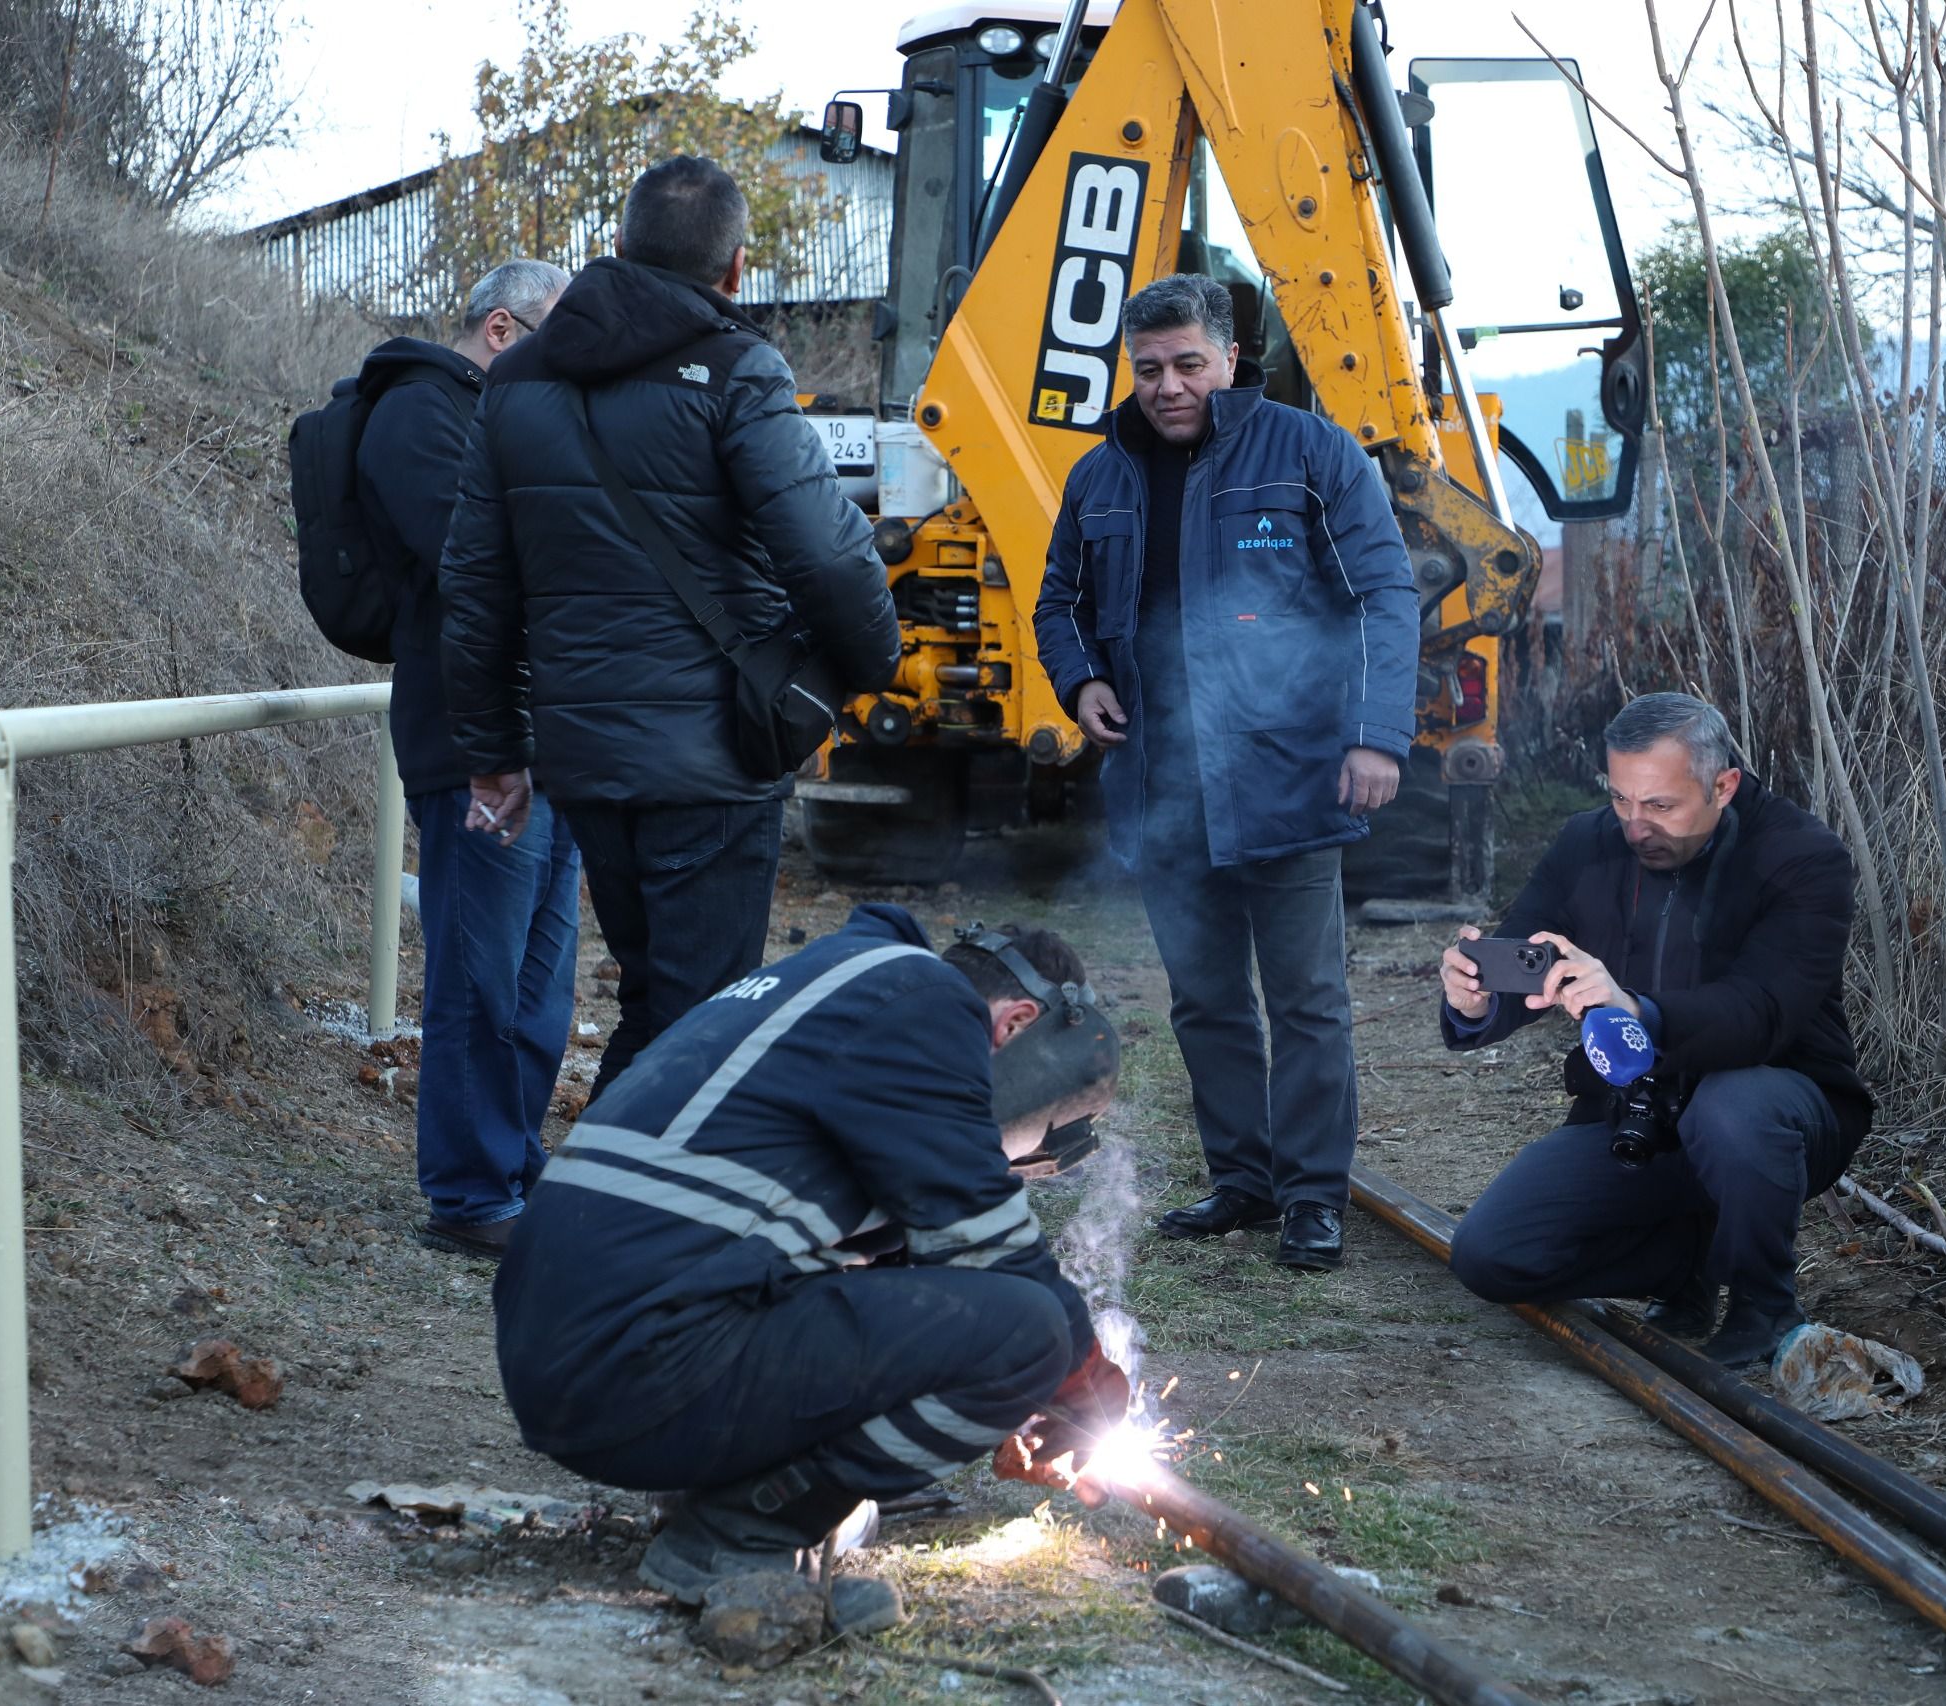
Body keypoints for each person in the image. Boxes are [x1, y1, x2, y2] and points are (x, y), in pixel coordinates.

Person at [492, 904, 1128, 1633]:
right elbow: (991, 1250)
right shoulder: (926, 1008)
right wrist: (1076, 1378)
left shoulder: (848, 984)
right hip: (631, 1364)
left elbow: (888, 1272)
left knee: (977, 1331)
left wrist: (1001, 1395)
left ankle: (712, 1486)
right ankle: (735, 1535)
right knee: (1033, 1332)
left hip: (572, 1351)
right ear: (1015, 1024)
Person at [439, 155, 898, 1103]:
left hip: (584, 758)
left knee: (658, 1003)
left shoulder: (514, 380)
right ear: (735, 268)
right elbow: (828, 553)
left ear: (615, 245)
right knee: (705, 1024)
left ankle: (607, 1183)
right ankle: (619, 1190)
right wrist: (867, 665)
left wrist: (494, 753)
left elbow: (476, 587)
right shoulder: (739, 370)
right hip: (714, 757)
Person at [1031, 274, 1419, 1271]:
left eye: (1188, 364)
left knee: (1306, 1001)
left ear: (1230, 358)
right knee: (1205, 1001)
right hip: (1162, 788)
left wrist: (1377, 735)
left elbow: (1382, 594)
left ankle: (1312, 1197)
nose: (1167, 386)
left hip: (1290, 776)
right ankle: (1243, 1181)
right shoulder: (1099, 475)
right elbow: (1058, 603)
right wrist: (1080, 681)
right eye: (1148, 368)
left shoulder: (1309, 453)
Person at [1435, 693, 1873, 1365]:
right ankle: (1684, 1266)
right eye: (1621, 799)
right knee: (1490, 1255)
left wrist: (1635, 1009)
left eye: (1661, 805)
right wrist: (1475, 1000)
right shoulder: (1587, 843)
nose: (1636, 827)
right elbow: (1526, 957)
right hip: (1635, 1114)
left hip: (1776, 1111)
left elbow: (1762, 1012)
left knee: (1730, 1109)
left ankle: (1764, 1304)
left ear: (1723, 785)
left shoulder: (1801, 856)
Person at [352, 258, 579, 1259]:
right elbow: (474, 568)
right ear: (501, 329)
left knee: (540, 984)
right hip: (472, 743)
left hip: (544, 739)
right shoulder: (418, 413)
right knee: (480, 980)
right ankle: (470, 1192)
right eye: (556, 343)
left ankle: (512, 1165)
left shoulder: (494, 417)